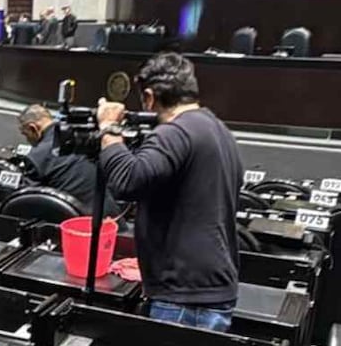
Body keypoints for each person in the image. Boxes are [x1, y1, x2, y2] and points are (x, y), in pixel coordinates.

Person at [97, 53, 241, 331]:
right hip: (208, 288)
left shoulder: (176, 133)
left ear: (150, 97)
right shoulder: (218, 129)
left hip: (185, 298)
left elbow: (127, 181)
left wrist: (108, 129)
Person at [17, 105, 120, 218]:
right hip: (112, 216)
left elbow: (26, 201)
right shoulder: (80, 136)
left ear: (33, 128)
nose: (27, 140)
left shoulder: (37, 156)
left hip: (79, 225)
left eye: (26, 135)